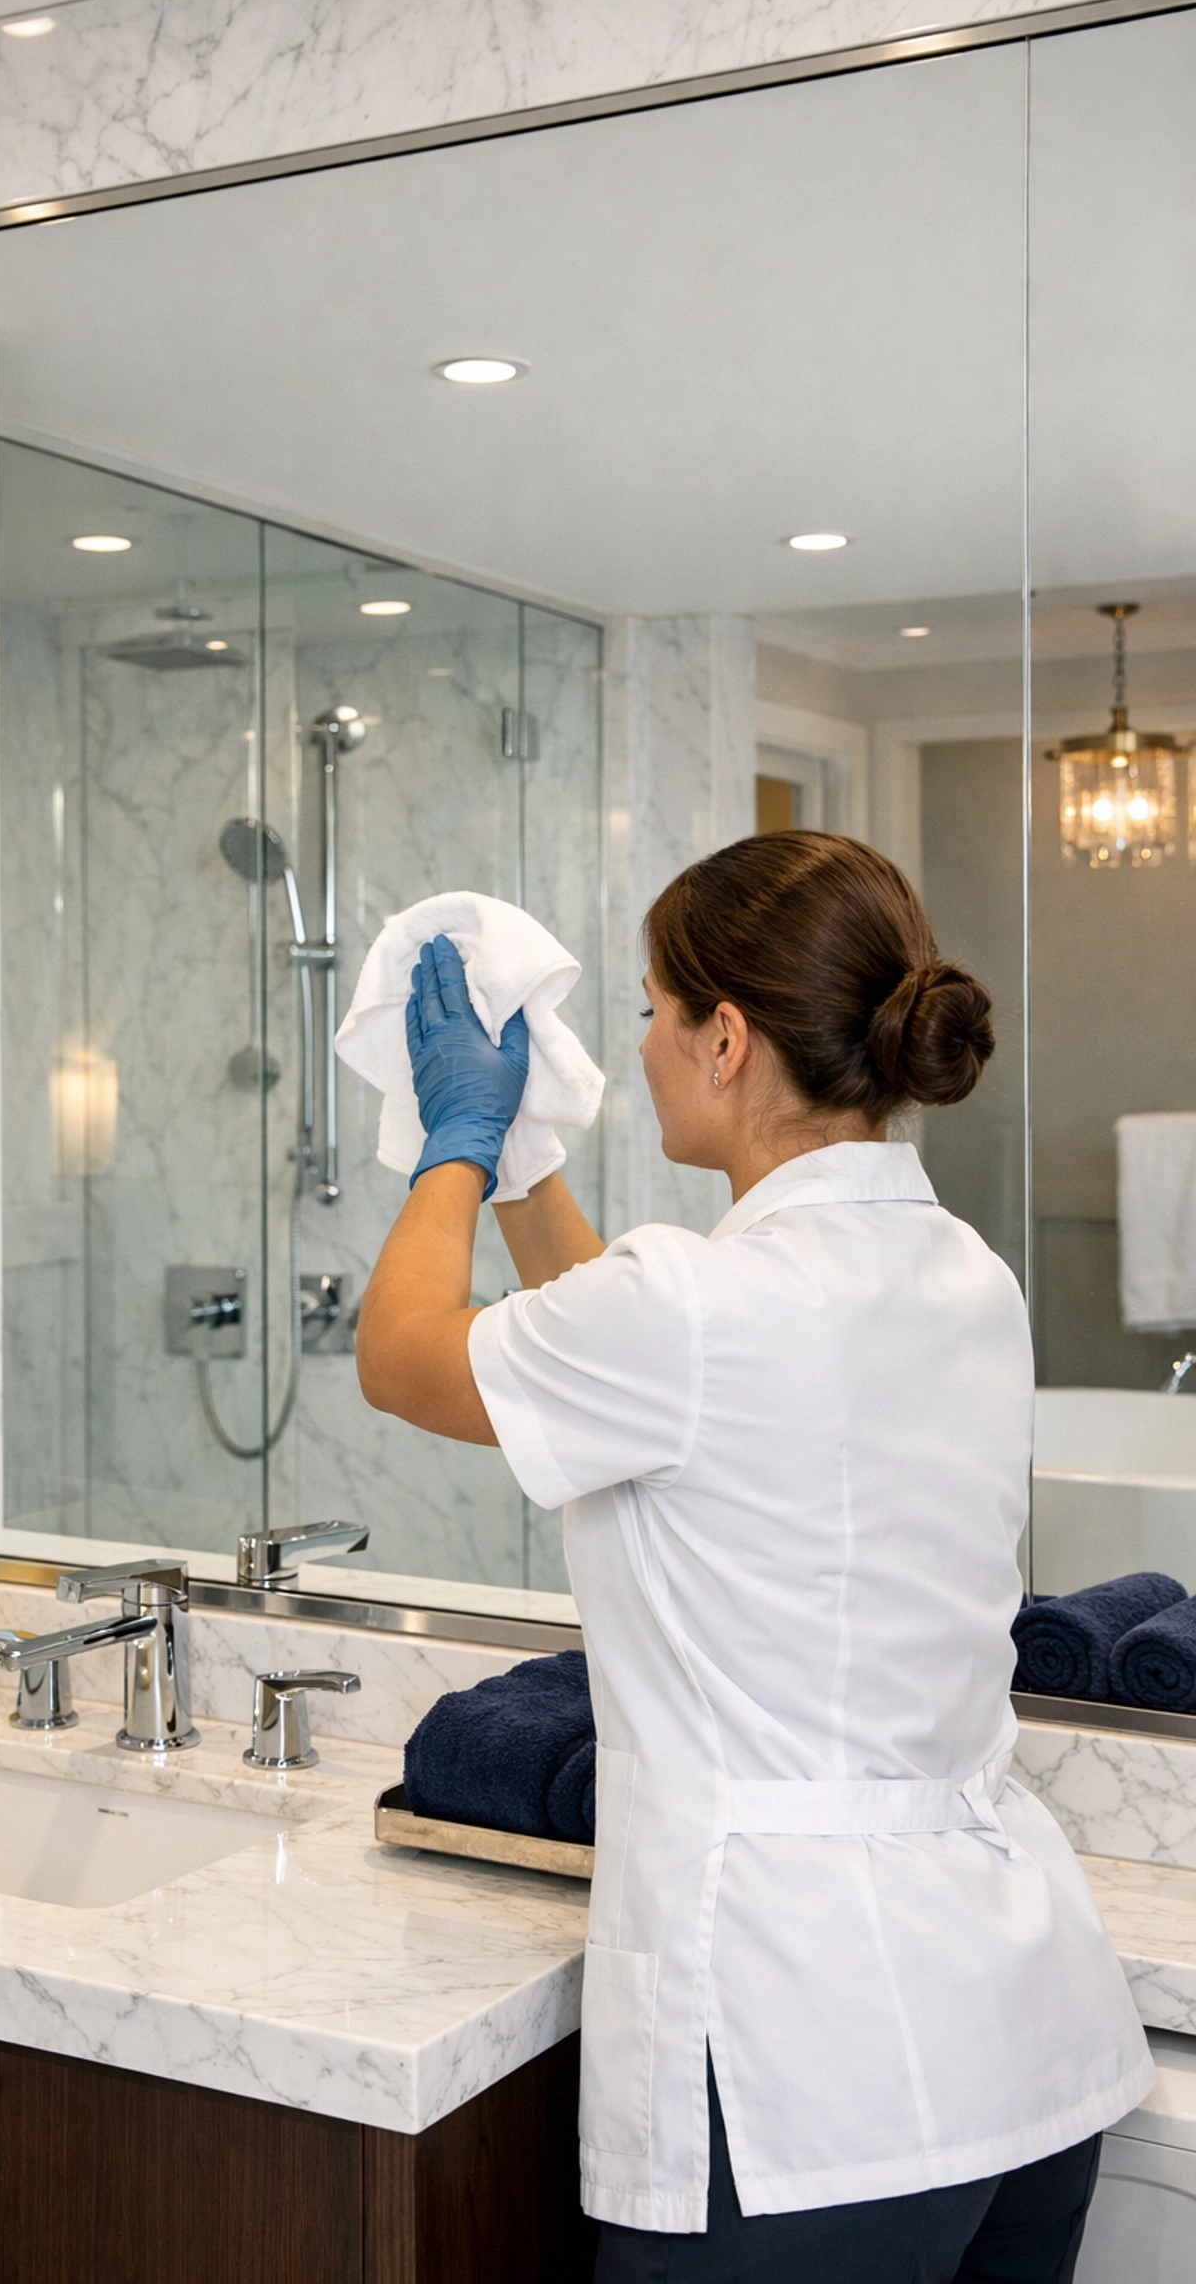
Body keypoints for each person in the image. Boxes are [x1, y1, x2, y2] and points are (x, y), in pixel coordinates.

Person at [354, 831, 1152, 2283]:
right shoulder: (968, 1277)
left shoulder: (699, 1310)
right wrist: (537, 1170)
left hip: (806, 2082)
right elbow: (636, 1360)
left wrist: (460, 1147)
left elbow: (405, 1358)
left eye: (656, 1011)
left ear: (727, 1039)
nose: (644, 1045)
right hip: (1021, 2043)